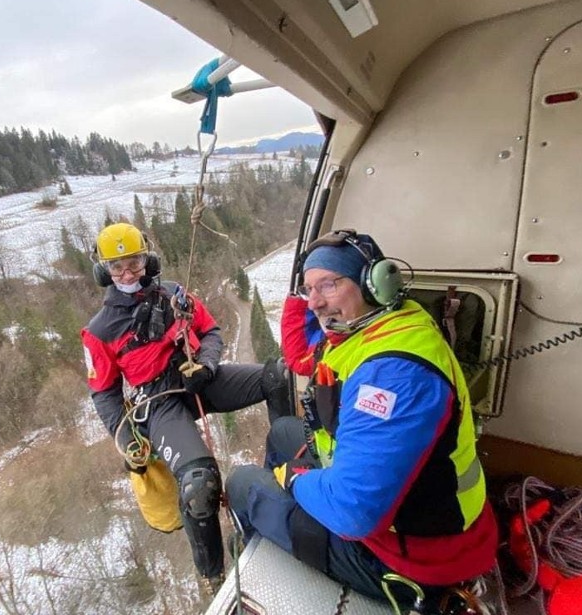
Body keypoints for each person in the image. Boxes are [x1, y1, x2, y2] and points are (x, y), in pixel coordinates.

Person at [226, 229, 498, 608]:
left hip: (410, 560)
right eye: (309, 290)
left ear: (375, 286)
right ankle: (287, 518)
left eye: (329, 285)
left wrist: (293, 481)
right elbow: (303, 356)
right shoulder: (391, 323)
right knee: (283, 433)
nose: (316, 303)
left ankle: (280, 526)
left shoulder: (390, 377)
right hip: (424, 515)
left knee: (241, 484)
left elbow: (354, 514)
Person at [81, 222, 290, 594]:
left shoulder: (175, 293)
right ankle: (212, 578)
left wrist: (207, 364)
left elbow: (210, 332)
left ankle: (286, 472)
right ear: (103, 271)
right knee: (199, 484)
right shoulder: (100, 330)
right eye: (117, 267)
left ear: (148, 259)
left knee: (277, 377)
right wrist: (126, 437)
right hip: (159, 401)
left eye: (134, 263)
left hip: (197, 376)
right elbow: (104, 392)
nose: (128, 274)